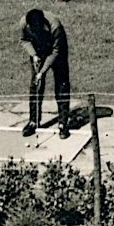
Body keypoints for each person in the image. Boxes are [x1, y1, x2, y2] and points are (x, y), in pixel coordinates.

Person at [18, 9, 71, 139]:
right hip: (38, 50)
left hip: (57, 51)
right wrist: (34, 55)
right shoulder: (24, 23)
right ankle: (33, 121)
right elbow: (24, 40)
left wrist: (42, 71)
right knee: (35, 85)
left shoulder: (55, 26)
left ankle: (63, 123)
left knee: (62, 84)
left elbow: (55, 52)